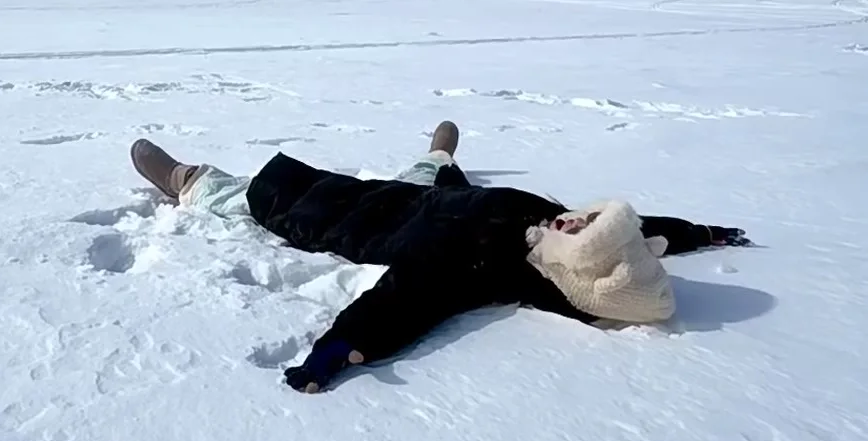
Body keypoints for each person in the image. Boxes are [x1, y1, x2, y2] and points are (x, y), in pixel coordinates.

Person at [130, 123, 750, 394]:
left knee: (264, 201)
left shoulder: (482, 266)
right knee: (430, 173)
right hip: (425, 194)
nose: (576, 218)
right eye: (591, 219)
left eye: (583, 233)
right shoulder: (559, 229)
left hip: (351, 217)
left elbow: (405, 300)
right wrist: (700, 232)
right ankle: (440, 153)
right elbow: (643, 231)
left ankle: (190, 179)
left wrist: (340, 348)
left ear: (578, 271)